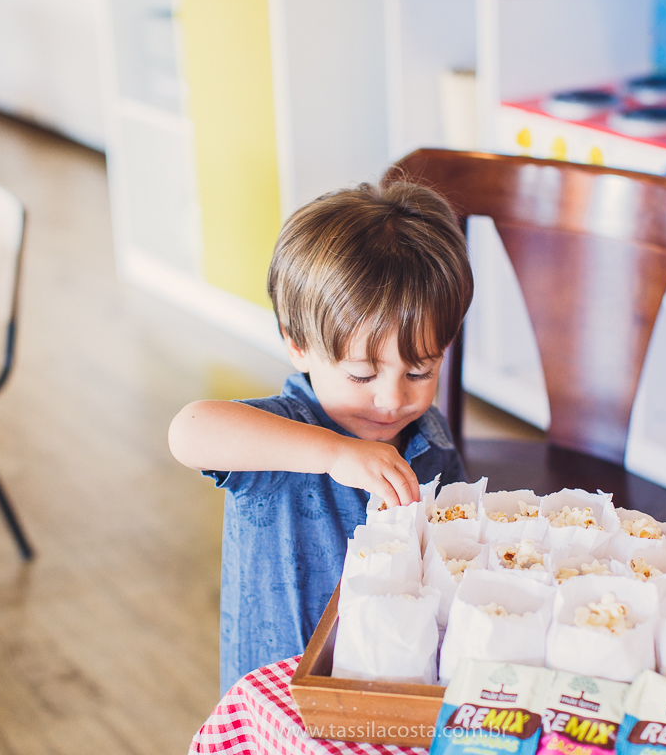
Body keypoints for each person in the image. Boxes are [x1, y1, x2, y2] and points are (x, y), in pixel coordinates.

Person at [169, 177, 474, 696]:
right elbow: (189, 430)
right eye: (361, 374)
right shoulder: (284, 434)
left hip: (391, 679)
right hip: (280, 692)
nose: (391, 399)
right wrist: (335, 454)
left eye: (420, 372)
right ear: (299, 347)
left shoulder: (428, 435)